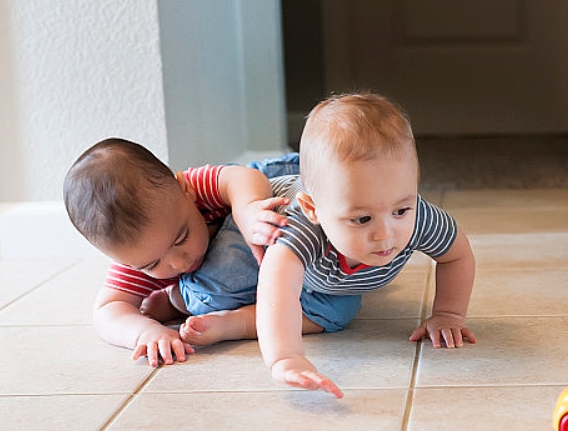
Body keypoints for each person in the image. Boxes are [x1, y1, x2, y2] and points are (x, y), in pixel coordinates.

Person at [179, 92, 477, 399]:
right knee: (215, 292)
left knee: (336, 314)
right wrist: (286, 358)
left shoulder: (419, 216)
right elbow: (277, 292)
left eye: (400, 210)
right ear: (314, 209)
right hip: (262, 230)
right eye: (362, 219)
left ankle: (234, 324)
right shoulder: (301, 229)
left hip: (325, 279)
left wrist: (448, 314)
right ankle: (174, 295)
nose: (385, 234)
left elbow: (457, 256)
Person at [63, 138, 292, 366]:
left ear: (186, 191)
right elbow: (107, 311)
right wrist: (144, 332)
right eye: (151, 265)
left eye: (181, 238)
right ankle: (177, 299)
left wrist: (247, 208)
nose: (178, 262)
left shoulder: (195, 186)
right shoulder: (133, 256)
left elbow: (241, 177)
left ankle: (174, 299)